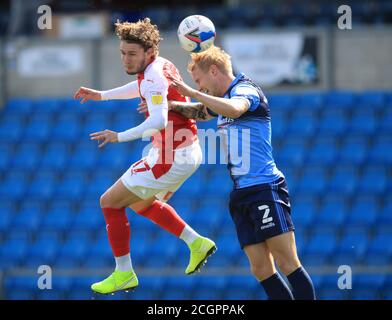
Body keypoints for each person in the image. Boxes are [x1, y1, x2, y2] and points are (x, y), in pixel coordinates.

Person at [157, 45, 316, 300]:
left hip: (265, 188)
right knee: (261, 269)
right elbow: (201, 112)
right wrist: (172, 105)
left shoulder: (245, 90)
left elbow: (234, 109)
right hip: (241, 193)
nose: (201, 88)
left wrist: (191, 92)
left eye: (200, 81)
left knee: (287, 263)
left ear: (213, 70)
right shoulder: (221, 99)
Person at [74, 18, 216, 295]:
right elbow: (141, 89)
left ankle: (124, 272)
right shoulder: (159, 65)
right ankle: (197, 243)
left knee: (109, 202)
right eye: (122, 53)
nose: (126, 60)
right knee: (140, 204)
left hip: (170, 155)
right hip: (184, 150)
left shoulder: (153, 75)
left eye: (131, 54)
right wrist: (101, 95)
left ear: (149, 52)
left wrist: (119, 136)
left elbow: (158, 122)